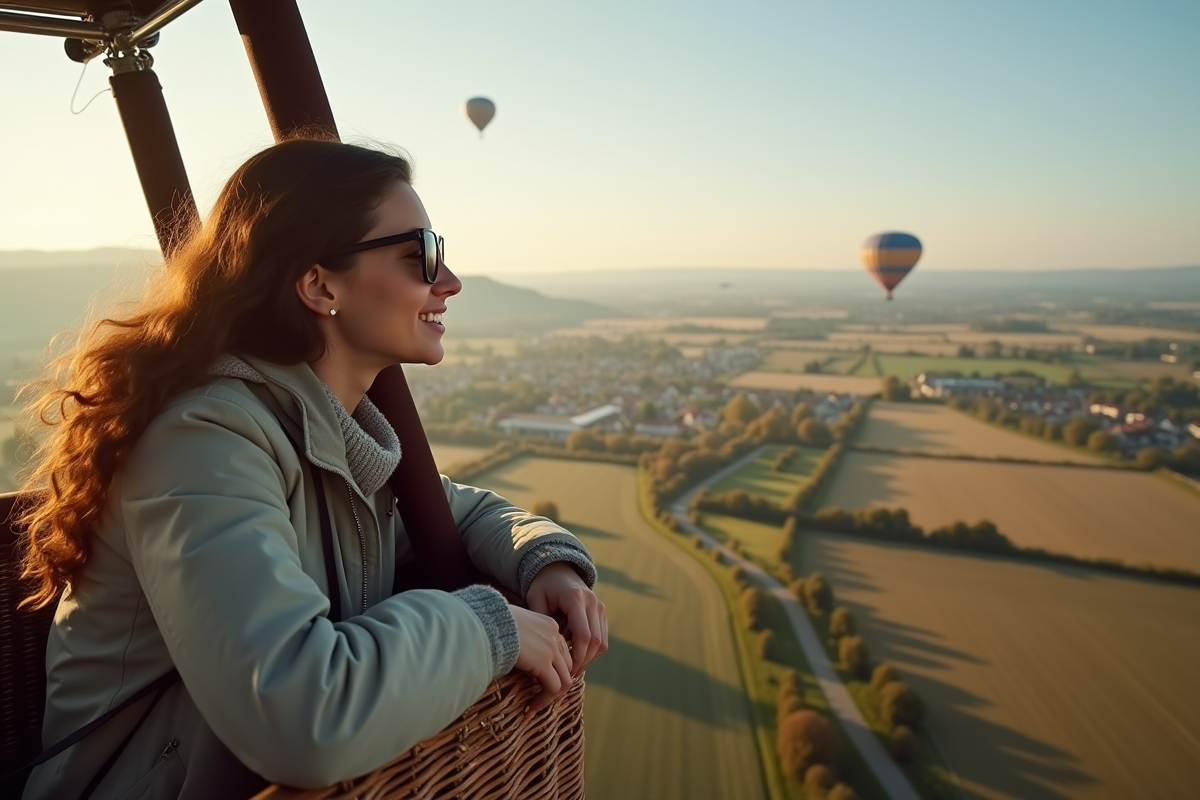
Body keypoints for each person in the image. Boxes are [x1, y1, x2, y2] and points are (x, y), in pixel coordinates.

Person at [17, 137, 607, 798]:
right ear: (319, 283)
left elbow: (452, 510)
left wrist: (546, 560)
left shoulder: (319, 431)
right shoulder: (205, 440)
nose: (450, 281)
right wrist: (489, 628)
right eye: (421, 256)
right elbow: (300, 715)